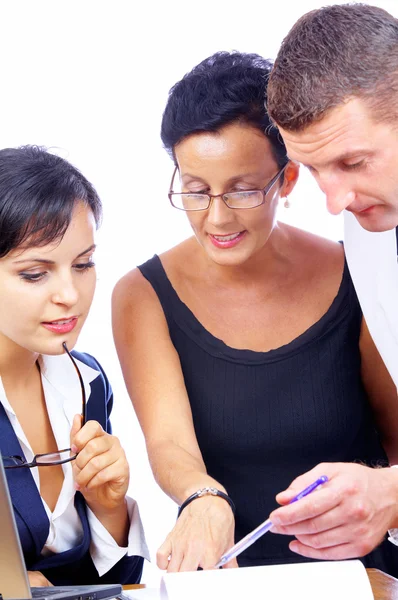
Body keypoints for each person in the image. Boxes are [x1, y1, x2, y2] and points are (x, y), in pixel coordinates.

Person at [112, 51, 398, 575]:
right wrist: (202, 498)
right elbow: (169, 441)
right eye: (196, 190)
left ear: (286, 179)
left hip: (366, 580)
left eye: (243, 189)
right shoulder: (141, 294)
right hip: (230, 582)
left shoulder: (357, 269)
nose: (216, 217)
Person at [266, 2, 398, 564]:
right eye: (313, 168)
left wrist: (390, 491)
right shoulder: (364, 225)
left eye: (352, 162)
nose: (333, 201)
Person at [0, 146, 148, 586]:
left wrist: (109, 507)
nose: (71, 294)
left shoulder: (88, 380)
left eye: (83, 264)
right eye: (35, 274)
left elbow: (118, 581)